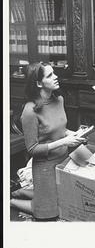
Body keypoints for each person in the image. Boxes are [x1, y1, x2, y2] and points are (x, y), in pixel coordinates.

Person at [10, 62, 86, 221]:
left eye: (54, 73)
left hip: (64, 160)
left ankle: (28, 192)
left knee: (67, 203)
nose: (56, 77)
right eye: (50, 75)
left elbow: (60, 130)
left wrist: (77, 134)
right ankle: (12, 200)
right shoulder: (30, 111)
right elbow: (32, 149)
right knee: (49, 213)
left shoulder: (59, 99)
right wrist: (64, 142)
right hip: (45, 165)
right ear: (38, 83)